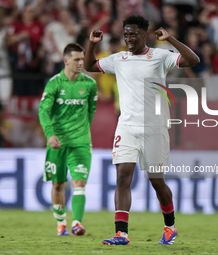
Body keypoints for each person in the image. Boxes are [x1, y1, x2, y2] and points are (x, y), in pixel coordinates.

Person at [84, 15, 199, 245]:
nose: (129, 38)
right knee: (122, 177)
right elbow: (89, 66)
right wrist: (93, 44)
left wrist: (170, 39)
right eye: (126, 34)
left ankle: (170, 227)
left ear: (144, 35)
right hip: (126, 125)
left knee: (156, 181)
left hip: (154, 127)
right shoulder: (119, 59)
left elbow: (192, 59)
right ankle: (121, 233)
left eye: (133, 34)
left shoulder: (159, 56)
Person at [39, 43, 98, 236]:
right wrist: (50, 135)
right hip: (58, 143)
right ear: (66, 61)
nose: (81, 63)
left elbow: (91, 111)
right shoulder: (54, 83)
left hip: (81, 142)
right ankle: (61, 223)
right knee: (57, 184)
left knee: (79, 182)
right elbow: (44, 111)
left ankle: (77, 224)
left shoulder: (89, 84)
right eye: (77, 59)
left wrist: (82, 131)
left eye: (82, 59)